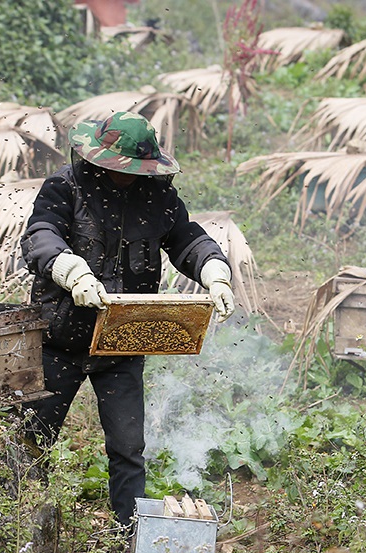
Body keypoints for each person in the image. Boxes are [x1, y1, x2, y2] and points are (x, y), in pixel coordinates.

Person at [20, 111, 234, 526]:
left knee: (127, 448)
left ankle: (129, 536)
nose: (124, 177)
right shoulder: (64, 187)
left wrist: (215, 272)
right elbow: (40, 235)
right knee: (31, 440)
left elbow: (187, 239)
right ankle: (20, 528)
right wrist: (71, 270)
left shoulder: (158, 197)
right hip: (58, 340)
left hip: (122, 344)